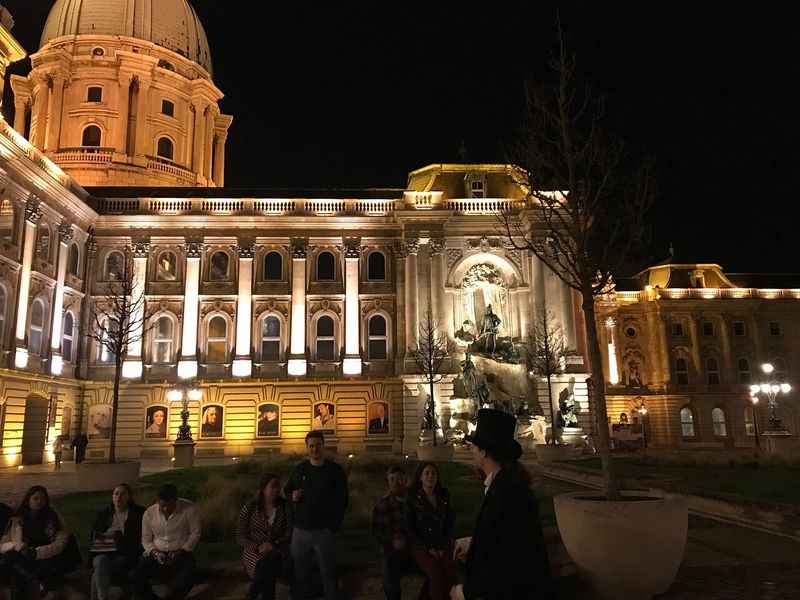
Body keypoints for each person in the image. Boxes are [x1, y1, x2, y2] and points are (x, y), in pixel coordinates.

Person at [450, 408, 553, 600]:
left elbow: (505, 560)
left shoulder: (505, 492)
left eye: (474, 446)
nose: (471, 449)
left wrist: (464, 592)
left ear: (484, 451)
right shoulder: (507, 484)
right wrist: (474, 544)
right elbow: (501, 537)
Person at [284, 431, 348, 600]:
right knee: (300, 574)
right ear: (307, 448)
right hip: (301, 532)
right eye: (311, 446)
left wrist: (333, 527)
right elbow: (287, 490)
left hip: (324, 532)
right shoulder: (300, 469)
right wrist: (293, 496)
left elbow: (342, 500)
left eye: (318, 445)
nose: (314, 449)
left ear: (323, 446)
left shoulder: (334, 471)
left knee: (328, 573)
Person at [0, 485, 81, 600]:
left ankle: (38, 583)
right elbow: (3, 545)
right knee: (11, 558)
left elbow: (59, 544)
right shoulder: (18, 519)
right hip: (24, 557)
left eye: (43, 499)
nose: (39, 502)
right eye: (35, 498)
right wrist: (15, 545)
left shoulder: (53, 518)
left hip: (45, 557)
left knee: (18, 566)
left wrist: (35, 553)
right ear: (28, 500)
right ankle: (37, 583)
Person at [131, 484, 201, 600]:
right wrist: (155, 553)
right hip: (156, 553)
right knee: (136, 576)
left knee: (187, 578)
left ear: (176, 500)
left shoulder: (190, 509)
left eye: (170, 506)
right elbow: (146, 539)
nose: (166, 509)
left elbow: (195, 534)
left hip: (182, 553)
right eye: (162, 506)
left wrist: (181, 551)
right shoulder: (149, 513)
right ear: (157, 501)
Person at [236, 473, 292, 600]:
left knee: (268, 562)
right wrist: (257, 546)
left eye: (278, 486)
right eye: (273, 486)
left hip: (277, 549)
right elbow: (240, 535)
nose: (277, 490)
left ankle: (252, 594)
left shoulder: (285, 507)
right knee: (266, 568)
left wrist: (273, 545)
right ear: (263, 489)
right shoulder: (250, 507)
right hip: (254, 550)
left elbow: (289, 533)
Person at [406, 462, 456, 600]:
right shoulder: (412, 499)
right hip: (421, 545)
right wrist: (428, 548)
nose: (430, 476)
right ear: (420, 477)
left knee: (450, 571)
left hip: (442, 543)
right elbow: (410, 528)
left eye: (433, 473)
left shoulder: (443, 496)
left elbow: (449, 522)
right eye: (427, 473)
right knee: (436, 574)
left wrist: (444, 544)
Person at [88, 484, 145, 600]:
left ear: (129, 497)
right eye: (116, 494)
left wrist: (120, 540)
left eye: (123, 494)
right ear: (112, 497)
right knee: (100, 561)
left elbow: (140, 539)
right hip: (104, 552)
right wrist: (108, 536)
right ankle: (103, 597)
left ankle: (103, 596)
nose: (119, 497)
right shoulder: (104, 514)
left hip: (126, 553)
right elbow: (94, 538)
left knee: (97, 575)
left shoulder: (138, 513)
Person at [371, 466, 412, 600]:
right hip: (391, 548)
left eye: (399, 479)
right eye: (392, 479)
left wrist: (407, 539)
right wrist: (392, 540)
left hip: (413, 545)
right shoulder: (382, 504)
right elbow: (377, 531)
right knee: (389, 567)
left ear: (405, 481)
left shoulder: (413, 502)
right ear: (388, 482)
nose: (396, 482)